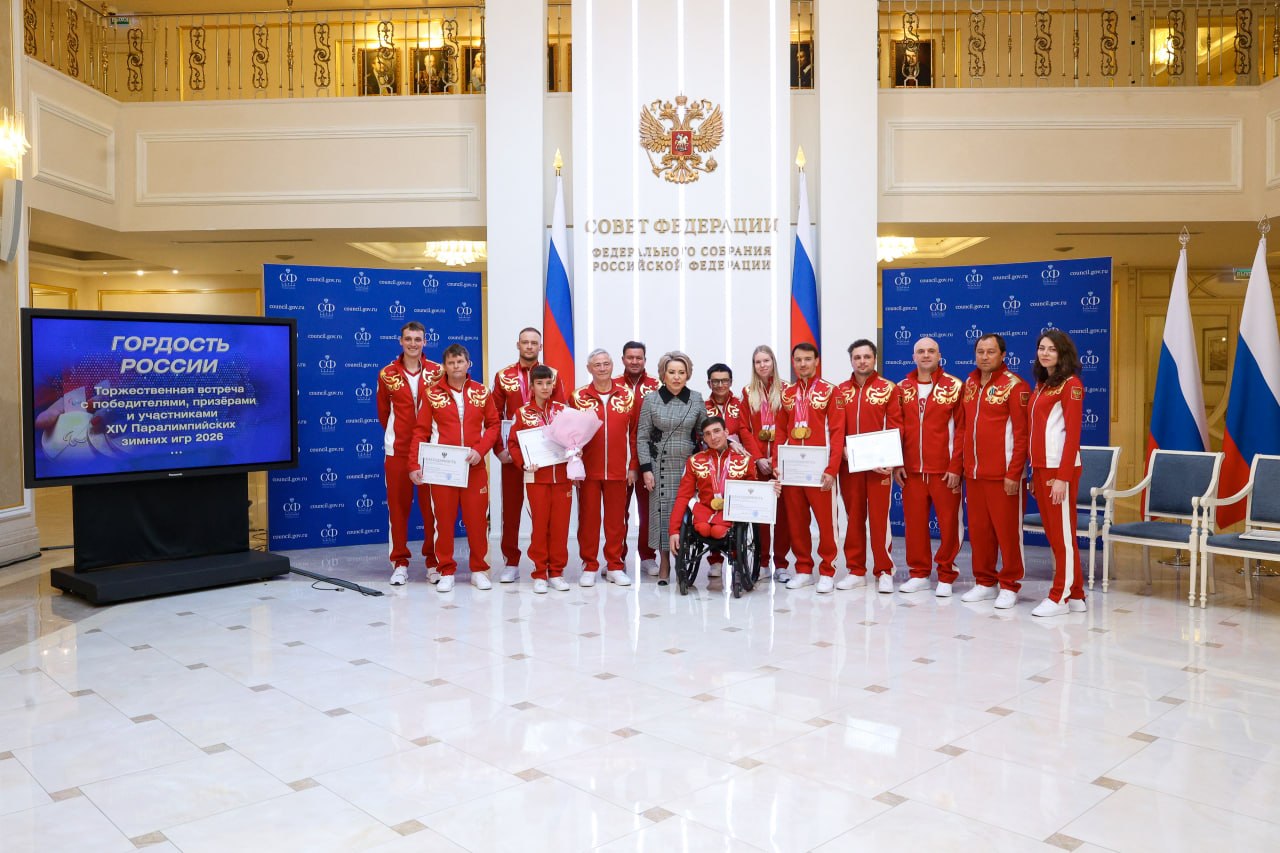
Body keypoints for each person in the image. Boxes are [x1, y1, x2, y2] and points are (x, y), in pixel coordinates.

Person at [409, 343, 500, 592]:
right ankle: (445, 569)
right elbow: (421, 431)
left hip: (475, 467)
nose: (456, 366)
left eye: (460, 362)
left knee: (478, 522)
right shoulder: (431, 394)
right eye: (451, 363)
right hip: (442, 469)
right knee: (444, 521)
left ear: (468, 364)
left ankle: (479, 570)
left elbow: (493, 426)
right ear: (444, 366)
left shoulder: (482, 392)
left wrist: (479, 451)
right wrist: (414, 464)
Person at [491, 328, 568, 584]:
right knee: (511, 510)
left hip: (546, 460)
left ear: (541, 345)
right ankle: (511, 561)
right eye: (525, 342)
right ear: (518, 344)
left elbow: (562, 416)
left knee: (547, 514)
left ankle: (550, 567)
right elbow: (494, 417)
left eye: (534, 342)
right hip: (513, 456)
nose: (529, 346)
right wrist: (500, 450)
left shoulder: (552, 375)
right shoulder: (504, 376)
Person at [960, 334, 1029, 610]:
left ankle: (1010, 584)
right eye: (980, 351)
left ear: (1003, 355)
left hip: (1004, 476)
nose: (984, 357)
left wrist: (1014, 473)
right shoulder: (969, 384)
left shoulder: (1015, 386)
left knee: (1008, 533)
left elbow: (1022, 435)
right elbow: (964, 428)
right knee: (979, 532)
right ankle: (984, 581)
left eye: (990, 352)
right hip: (974, 474)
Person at [895, 337, 965, 597]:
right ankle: (919, 573)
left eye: (931, 351)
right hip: (911, 470)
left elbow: (962, 431)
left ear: (939, 356)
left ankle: (946, 574)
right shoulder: (901, 388)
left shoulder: (955, 386)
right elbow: (895, 429)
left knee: (949, 524)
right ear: (913, 357)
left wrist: (956, 466)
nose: (926, 355)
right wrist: (897, 463)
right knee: (914, 525)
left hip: (944, 470)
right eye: (921, 351)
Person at [773, 343, 845, 593]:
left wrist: (832, 468)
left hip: (820, 470)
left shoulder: (830, 391)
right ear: (793, 363)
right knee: (797, 522)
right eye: (798, 360)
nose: (802, 364)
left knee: (827, 523)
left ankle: (828, 571)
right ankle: (803, 568)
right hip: (793, 469)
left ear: (817, 361)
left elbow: (837, 433)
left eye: (807, 359)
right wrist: (777, 465)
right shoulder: (787, 394)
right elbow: (781, 431)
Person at [377, 321, 443, 586]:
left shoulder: (438, 372)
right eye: (408, 339)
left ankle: (434, 562)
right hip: (398, 451)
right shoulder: (387, 374)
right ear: (400, 341)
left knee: (432, 511)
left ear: (425, 341)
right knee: (398, 509)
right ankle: (400, 562)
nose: (413, 343)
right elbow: (383, 413)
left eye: (418, 339)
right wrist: (398, 437)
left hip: (431, 450)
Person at [1027, 330, 1087, 617]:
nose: (1045, 353)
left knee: (1063, 537)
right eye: (1041, 348)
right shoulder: (1041, 385)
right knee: (1056, 535)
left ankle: (1059, 596)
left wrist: (1062, 477)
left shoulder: (1070, 385)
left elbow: (1072, 435)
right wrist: (1033, 470)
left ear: (1062, 353)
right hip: (1041, 468)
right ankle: (1076, 595)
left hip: (1059, 469)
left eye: (1051, 349)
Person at [835, 339, 901, 594]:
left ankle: (884, 570)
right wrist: (841, 451)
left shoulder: (888, 389)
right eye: (857, 357)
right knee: (853, 519)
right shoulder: (840, 391)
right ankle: (856, 570)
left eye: (867, 356)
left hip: (879, 467)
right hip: (848, 465)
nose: (862, 361)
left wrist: (889, 460)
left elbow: (896, 426)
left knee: (879, 519)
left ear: (875, 359)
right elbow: (834, 427)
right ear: (851, 360)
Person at [637, 351, 708, 585]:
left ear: (688, 374)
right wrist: (646, 469)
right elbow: (642, 437)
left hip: (689, 466)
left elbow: (704, 433)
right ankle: (665, 559)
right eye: (672, 372)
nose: (677, 377)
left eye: (681, 372)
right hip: (660, 467)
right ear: (663, 375)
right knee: (663, 514)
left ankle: (684, 559)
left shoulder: (696, 399)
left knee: (686, 513)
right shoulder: (651, 399)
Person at [571, 349, 638, 587]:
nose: (602, 368)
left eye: (606, 364)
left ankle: (615, 565)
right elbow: (570, 436)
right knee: (588, 520)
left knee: (616, 521)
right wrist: (574, 467)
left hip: (619, 471)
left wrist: (633, 466)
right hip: (587, 471)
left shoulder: (627, 396)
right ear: (589, 368)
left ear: (613, 366)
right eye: (597, 365)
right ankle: (589, 565)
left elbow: (634, 435)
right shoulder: (578, 397)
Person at [507, 365, 573, 594]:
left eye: (548, 383)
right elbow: (513, 444)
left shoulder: (564, 411)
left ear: (553, 384)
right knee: (540, 525)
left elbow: (575, 440)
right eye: (540, 383)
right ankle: (539, 573)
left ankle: (556, 572)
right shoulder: (522, 413)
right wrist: (523, 462)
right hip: (536, 478)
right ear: (532, 386)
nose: (545, 387)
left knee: (560, 526)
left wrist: (576, 450)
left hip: (563, 478)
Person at [670, 417, 779, 554]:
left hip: (732, 512)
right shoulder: (694, 461)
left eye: (717, 431)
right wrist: (674, 531)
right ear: (704, 438)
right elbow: (683, 496)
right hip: (703, 510)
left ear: (726, 432)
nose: (713, 437)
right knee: (703, 528)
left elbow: (753, 490)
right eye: (708, 434)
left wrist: (768, 489)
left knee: (717, 531)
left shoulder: (745, 460)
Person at [738, 345, 793, 582]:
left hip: (782, 462)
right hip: (758, 463)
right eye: (758, 361)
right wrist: (758, 458)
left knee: (783, 517)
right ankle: (762, 563)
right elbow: (743, 428)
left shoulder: (788, 391)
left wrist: (775, 459)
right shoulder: (748, 391)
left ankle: (781, 564)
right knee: (761, 515)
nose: (762, 365)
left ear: (773, 362)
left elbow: (790, 425)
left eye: (766, 361)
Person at [617, 341, 661, 576]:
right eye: (630, 357)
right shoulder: (611, 385)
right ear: (622, 358)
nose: (634, 361)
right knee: (618, 513)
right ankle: (616, 558)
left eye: (639, 358)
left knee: (648, 511)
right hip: (619, 461)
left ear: (645, 359)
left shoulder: (657, 386)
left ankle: (647, 556)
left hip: (648, 461)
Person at [703, 362, 745, 579]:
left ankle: (737, 554)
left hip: (736, 466)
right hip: (711, 465)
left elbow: (747, 432)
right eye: (716, 381)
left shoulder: (741, 404)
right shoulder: (701, 406)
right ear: (709, 383)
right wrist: (727, 440)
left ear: (731, 382)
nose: (720, 385)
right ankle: (715, 560)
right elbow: (698, 435)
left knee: (735, 509)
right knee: (712, 506)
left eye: (725, 380)